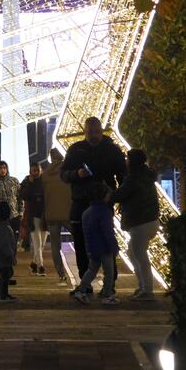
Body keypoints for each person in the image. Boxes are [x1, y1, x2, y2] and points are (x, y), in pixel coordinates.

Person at [60, 117, 127, 281]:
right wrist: (77, 174)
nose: (94, 135)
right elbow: (64, 174)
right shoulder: (76, 150)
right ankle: (85, 280)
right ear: (85, 131)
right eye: (90, 132)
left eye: (97, 132)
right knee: (81, 242)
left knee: (106, 239)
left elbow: (123, 176)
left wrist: (115, 196)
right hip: (81, 201)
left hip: (104, 203)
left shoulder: (112, 150)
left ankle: (110, 280)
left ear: (102, 130)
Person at [111, 149, 160, 300]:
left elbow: (119, 194)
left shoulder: (133, 177)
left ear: (133, 161)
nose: (125, 161)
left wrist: (107, 193)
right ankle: (143, 287)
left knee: (140, 255)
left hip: (140, 222)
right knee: (133, 253)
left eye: (127, 159)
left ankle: (147, 290)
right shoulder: (146, 175)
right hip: (150, 220)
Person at [71, 180, 119, 305]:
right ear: (103, 195)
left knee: (91, 270)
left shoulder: (87, 212)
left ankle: (81, 290)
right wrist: (114, 246)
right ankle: (107, 294)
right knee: (109, 272)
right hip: (105, 247)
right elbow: (108, 232)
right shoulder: (105, 212)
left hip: (92, 247)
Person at [42, 147, 73, 285]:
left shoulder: (45, 174)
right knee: (81, 240)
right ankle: (87, 269)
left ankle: (61, 275)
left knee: (55, 246)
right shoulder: (68, 172)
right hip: (68, 213)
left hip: (51, 214)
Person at [19, 161, 47, 276]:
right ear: (30, 171)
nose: (35, 172)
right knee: (37, 243)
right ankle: (40, 267)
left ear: (41, 170)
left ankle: (34, 264)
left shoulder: (45, 181)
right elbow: (23, 195)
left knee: (42, 244)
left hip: (45, 216)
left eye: (37, 170)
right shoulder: (26, 181)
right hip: (32, 216)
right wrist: (30, 184)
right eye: (33, 170)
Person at [0, 201, 18, 303]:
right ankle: (3, 295)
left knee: (7, 273)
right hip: (2, 257)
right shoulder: (3, 227)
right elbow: (4, 243)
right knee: (6, 274)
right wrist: (10, 254)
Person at [0, 161, 21, 248]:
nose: (2, 170)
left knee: (13, 240)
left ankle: (12, 258)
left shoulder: (14, 181)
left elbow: (20, 198)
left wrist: (21, 213)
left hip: (13, 215)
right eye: (0, 168)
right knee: (1, 241)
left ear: (7, 169)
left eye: (4, 168)